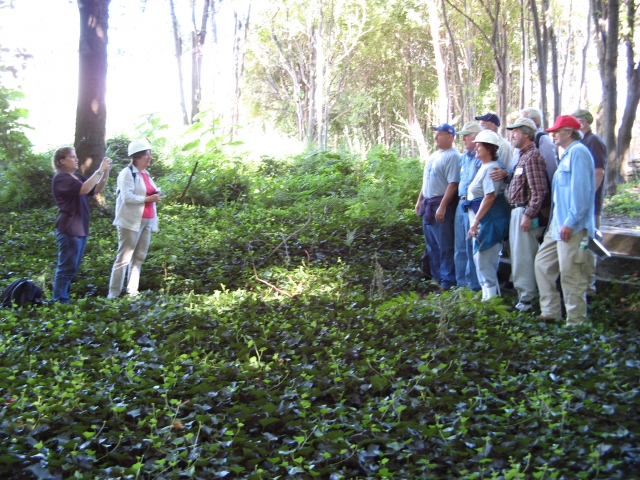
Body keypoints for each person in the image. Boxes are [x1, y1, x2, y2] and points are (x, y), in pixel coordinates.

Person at [534, 116, 595, 326]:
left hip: (572, 225)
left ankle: (576, 322)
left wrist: (570, 222)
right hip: (557, 224)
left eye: (557, 131)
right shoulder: (567, 154)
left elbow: (581, 193)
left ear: (569, 132)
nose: (553, 135)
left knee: (571, 273)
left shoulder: (578, 152)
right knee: (542, 263)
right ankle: (550, 310)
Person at [51, 147, 112, 303]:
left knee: (72, 268)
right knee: (66, 268)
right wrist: (99, 169)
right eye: (72, 157)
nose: (76, 159)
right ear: (62, 161)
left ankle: (63, 299)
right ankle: (59, 301)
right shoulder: (61, 179)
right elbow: (83, 189)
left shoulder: (77, 176)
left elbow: (96, 189)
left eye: (76, 156)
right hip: (69, 229)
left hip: (80, 229)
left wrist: (106, 172)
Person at [107, 139, 162, 299]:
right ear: (137, 157)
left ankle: (132, 291)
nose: (150, 157)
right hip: (130, 221)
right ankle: (113, 294)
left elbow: (148, 192)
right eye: (147, 154)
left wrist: (156, 195)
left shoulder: (146, 174)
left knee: (139, 257)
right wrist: (148, 199)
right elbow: (127, 197)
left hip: (146, 221)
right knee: (124, 258)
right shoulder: (127, 173)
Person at [505, 118, 549, 312]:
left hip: (524, 213)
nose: (512, 135)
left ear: (526, 134)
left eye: (515, 131)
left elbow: (539, 191)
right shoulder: (523, 156)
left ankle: (527, 299)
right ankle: (523, 294)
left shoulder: (533, 156)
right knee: (517, 254)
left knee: (524, 255)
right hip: (517, 211)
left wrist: (528, 215)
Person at [465, 130, 510, 301]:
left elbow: (489, 196)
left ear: (489, 148)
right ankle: (486, 299)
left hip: (489, 220)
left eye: (479, 145)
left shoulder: (492, 168)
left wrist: (476, 221)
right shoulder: (483, 166)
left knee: (485, 259)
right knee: (479, 260)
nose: (475, 148)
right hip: (480, 218)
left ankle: (491, 302)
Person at [415, 123, 460, 290]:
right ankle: (436, 278)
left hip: (440, 206)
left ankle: (447, 282)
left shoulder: (453, 156)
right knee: (432, 244)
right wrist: (419, 200)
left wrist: (442, 206)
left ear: (450, 137)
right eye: (435, 134)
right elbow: (426, 180)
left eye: (439, 134)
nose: (435, 137)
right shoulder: (435, 155)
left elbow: (453, 184)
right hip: (428, 204)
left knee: (445, 245)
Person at [572, 108, 607, 296]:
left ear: (583, 122)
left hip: (590, 206)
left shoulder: (594, 141)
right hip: (582, 206)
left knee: (589, 245)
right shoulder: (581, 143)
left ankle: (589, 288)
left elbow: (598, 172)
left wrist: (587, 198)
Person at [454, 121, 483, 291]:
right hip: (460, 203)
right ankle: (461, 285)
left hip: (474, 205)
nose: (463, 139)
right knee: (460, 245)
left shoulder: (483, 156)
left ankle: (473, 286)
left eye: (466, 135)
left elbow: (500, 169)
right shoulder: (464, 157)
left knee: (472, 244)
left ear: (476, 137)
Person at [521, 107, 558, 182]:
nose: (519, 124)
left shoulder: (542, 139)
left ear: (535, 121)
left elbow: (551, 168)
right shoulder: (520, 139)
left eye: (523, 121)